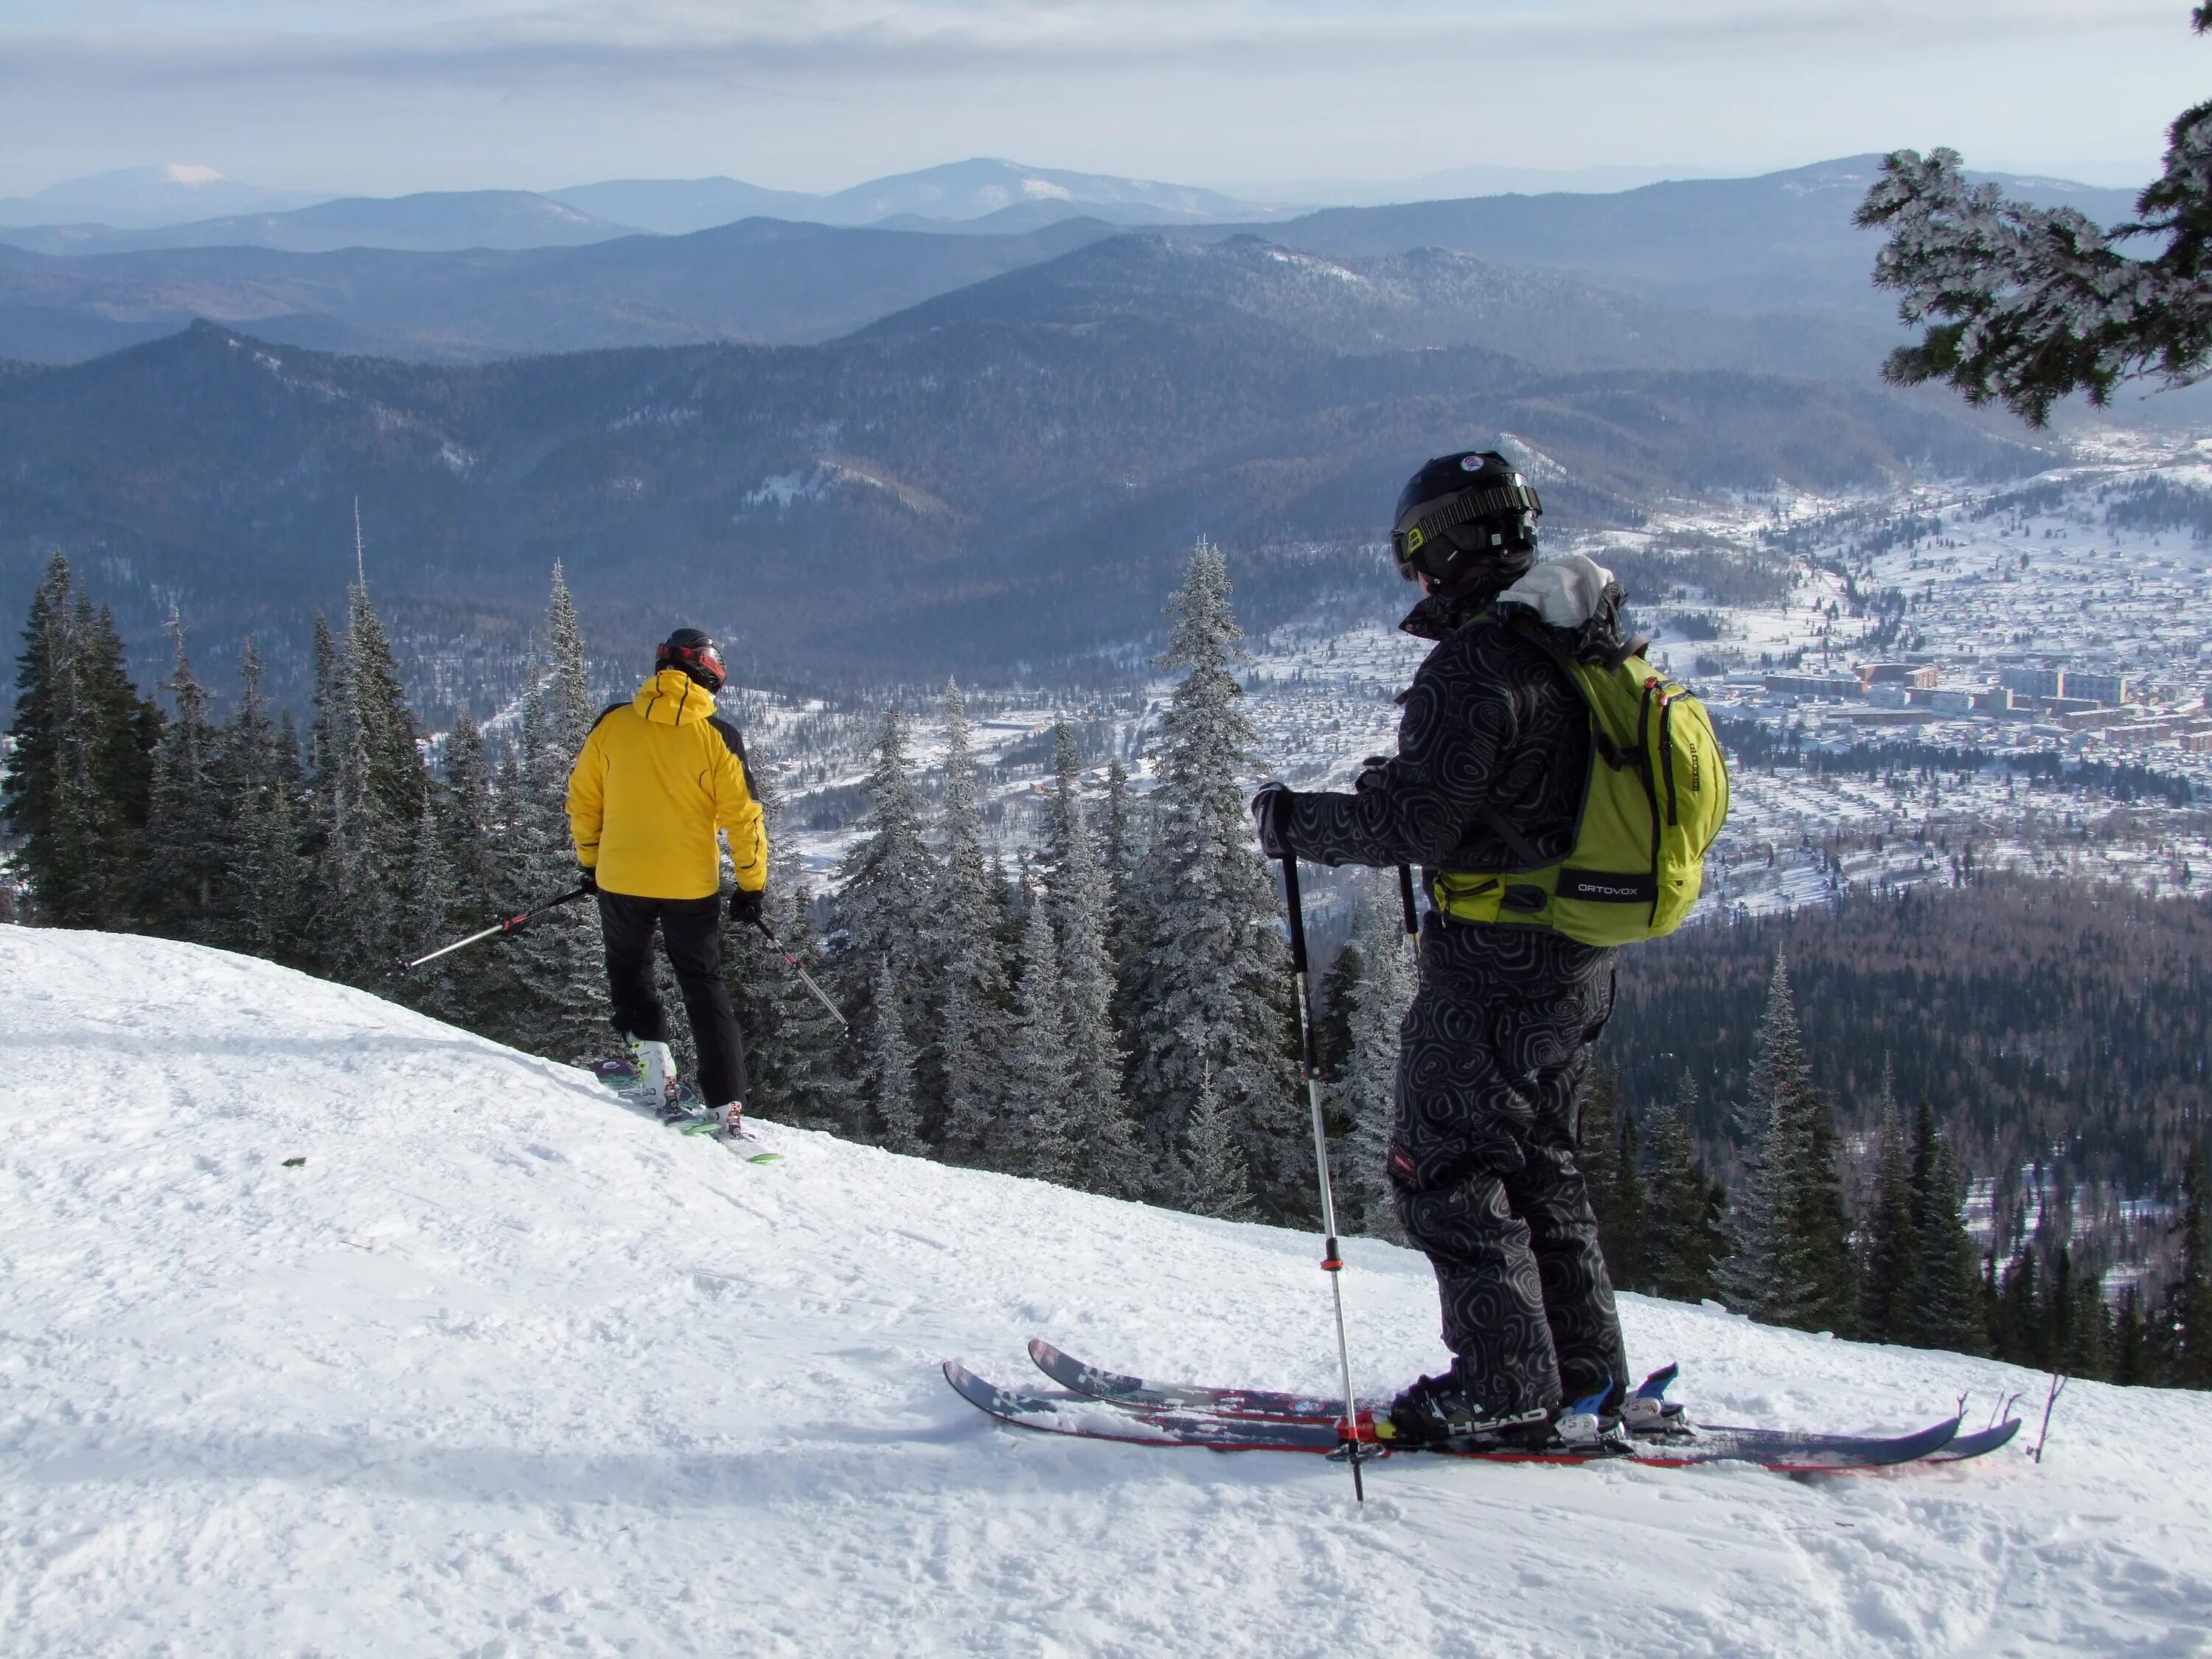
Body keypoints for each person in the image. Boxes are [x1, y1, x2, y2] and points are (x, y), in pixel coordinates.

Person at [1250, 451, 1635, 1450]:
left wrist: (1296, 820)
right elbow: (1501, 798)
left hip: (1498, 962)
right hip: (1575, 953)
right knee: (1539, 1162)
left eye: (1416, 555)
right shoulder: (1579, 644)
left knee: (1448, 1163)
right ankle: (1585, 1375)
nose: (1414, 578)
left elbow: (1414, 821)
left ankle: (1507, 1379)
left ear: (1450, 546)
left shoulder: (1478, 664)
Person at [566, 627, 768, 1136]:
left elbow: (584, 799)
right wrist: (751, 887)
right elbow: (744, 819)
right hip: (690, 887)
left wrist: (591, 863)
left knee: (631, 972)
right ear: (708, 676)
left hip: (621, 878)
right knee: (703, 987)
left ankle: (654, 1075)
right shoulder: (718, 736)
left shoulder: (614, 724)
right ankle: (727, 1105)